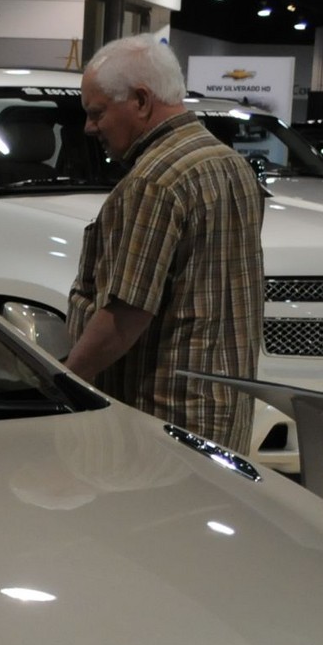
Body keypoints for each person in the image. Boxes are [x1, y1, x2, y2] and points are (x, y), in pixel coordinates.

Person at [63, 35, 266, 448]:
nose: (89, 127)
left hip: (162, 423)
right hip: (225, 413)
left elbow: (124, 315)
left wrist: (65, 383)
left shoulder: (153, 181)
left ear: (140, 100)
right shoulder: (231, 163)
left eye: (96, 112)